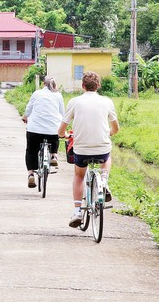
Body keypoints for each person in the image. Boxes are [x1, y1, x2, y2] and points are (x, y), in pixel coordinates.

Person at [57, 72, 119, 228]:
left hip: (82, 149)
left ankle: (77, 211)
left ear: (82, 86)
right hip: (102, 148)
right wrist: (108, 134)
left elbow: (61, 130)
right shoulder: (107, 101)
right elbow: (116, 128)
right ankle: (104, 182)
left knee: (79, 176)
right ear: (98, 86)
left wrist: (64, 135)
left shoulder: (74, 102)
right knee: (107, 156)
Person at [22, 77, 65, 188]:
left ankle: (31, 173)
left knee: (31, 150)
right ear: (55, 85)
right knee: (55, 135)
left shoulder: (36, 94)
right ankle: (54, 156)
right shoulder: (58, 95)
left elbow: (29, 108)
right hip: (52, 130)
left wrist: (25, 116)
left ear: (43, 84)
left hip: (34, 130)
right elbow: (62, 113)